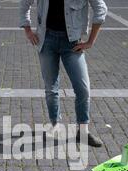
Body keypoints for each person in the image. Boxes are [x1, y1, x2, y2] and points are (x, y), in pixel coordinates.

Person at [19, 0, 108, 147]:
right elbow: (24, 4)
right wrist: (27, 30)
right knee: (51, 88)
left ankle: (83, 131)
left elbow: (101, 9)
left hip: (72, 43)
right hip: (46, 40)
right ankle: (55, 125)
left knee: (83, 88)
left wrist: (90, 42)